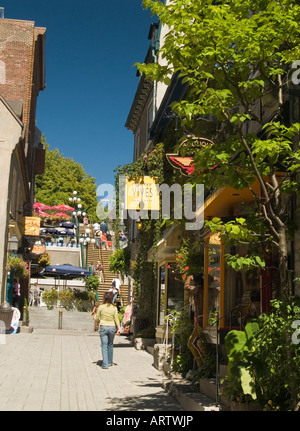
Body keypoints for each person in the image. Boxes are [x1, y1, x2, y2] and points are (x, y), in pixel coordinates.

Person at [94, 292, 121, 369]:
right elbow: (116, 319)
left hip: (103, 327)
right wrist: (119, 328)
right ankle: (110, 362)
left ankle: (105, 364)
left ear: (104, 298)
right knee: (110, 344)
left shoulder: (101, 307)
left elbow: (97, 318)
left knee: (104, 345)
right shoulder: (114, 308)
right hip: (112, 327)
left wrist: (96, 326)